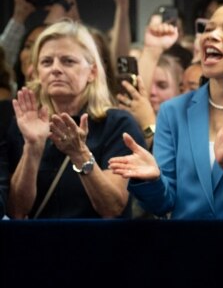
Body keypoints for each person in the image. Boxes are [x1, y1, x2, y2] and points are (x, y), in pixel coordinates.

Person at [108, 2, 223, 219]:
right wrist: (151, 180)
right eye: (208, 29)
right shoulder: (174, 110)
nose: (211, 36)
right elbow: (164, 203)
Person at [6, 20, 144, 218]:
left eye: (68, 61)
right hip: (37, 245)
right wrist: (33, 147)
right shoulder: (24, 124)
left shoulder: (118, 124)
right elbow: (16, 212)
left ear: (92, 72)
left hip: (101, 244)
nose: (55, 69)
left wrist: (79, 153)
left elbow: (112, 207)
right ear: (37, 73)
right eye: (46, 62)